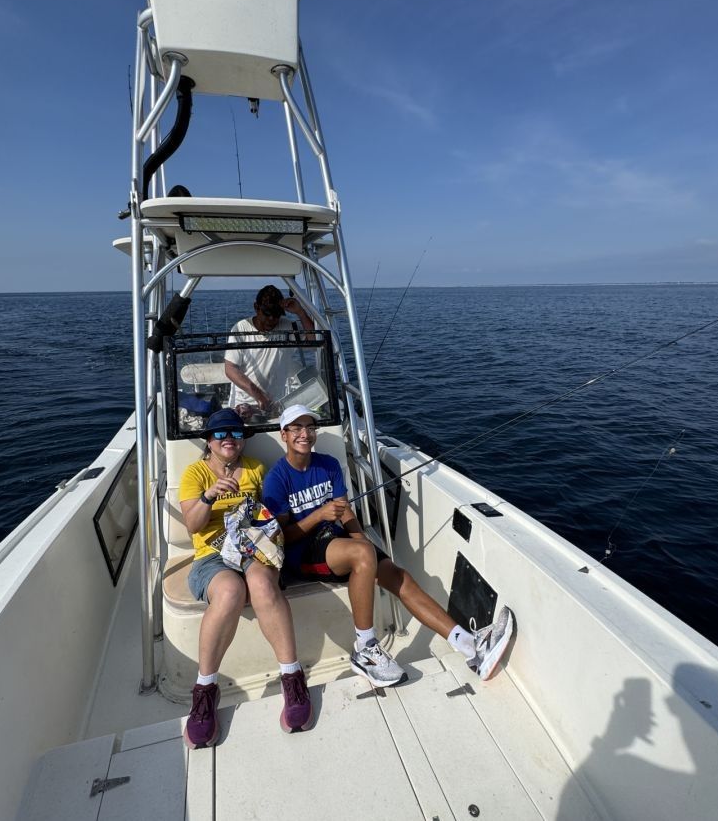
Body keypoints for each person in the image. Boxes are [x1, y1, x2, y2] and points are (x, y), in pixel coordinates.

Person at [262, 405, 512, 686]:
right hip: (302, 552)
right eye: (296, 428)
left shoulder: (329, 465)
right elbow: (282, 535)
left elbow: (345, 512)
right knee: (362, 553)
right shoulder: (276, 479)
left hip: (336, 542)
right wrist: (319, 515)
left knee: (397, 575)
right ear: (284, 435)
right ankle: (365, 649)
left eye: (309, 427)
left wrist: (360, 538)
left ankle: (468, 645)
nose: (304, 434)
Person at [178, 408, 313, 747]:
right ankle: (205, 690)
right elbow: (192, 525)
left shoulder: (255, 469)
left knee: (263, 585)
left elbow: (269, 515)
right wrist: (210, 496)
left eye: (236, 434)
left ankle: (292, 678)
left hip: (253, 548)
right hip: (211, 555)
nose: (229, 440)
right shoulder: (195, 473)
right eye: (221, 434)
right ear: (208, 441)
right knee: (229, 592)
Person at [224, 285, 314, 415]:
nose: (271, 319)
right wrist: (259, 395)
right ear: (256, 307)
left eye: (276, 315)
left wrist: (300, 312)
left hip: (276, 405)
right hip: (243, 406)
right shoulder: (240, 329)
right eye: (267, 313)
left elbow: (313, 342)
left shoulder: (289, 327)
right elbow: (230, 369)